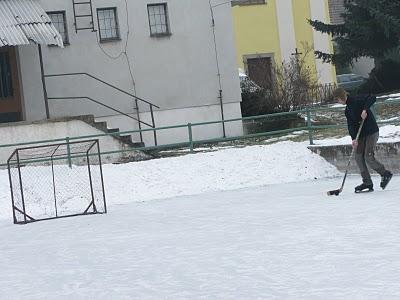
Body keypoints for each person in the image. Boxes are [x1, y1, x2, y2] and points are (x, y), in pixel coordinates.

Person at [333, 87, 393, 193]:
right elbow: (351, 126)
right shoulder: (347, 110)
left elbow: (372, 97)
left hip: (371, 132)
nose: (337, 102)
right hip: (360, 135)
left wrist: (365, 109)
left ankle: (385, 174)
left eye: (337, 99)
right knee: (358, 156)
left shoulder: (357, 100)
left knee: (368, 156)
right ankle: (367, 182)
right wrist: (353, 139)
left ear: (341, 97)